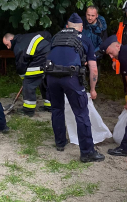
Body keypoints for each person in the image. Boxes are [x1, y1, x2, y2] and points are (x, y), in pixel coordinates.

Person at [45, 13, 105, 163]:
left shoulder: (55, 37)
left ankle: (60, 142)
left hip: (51, 76)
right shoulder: (84, 39)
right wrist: (92, 89)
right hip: (70, 77)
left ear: (67, 26)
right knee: (81, 113)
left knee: (57, 109)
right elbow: (93, 68)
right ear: (81, 28)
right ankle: (87, 152)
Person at [3, 31, 52, 116]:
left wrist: (24, 79)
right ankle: (49, 106)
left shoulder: (18, 47)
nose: (7, 48)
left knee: (29, 83)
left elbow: (21, 66)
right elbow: (47, 34)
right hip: (51, 57)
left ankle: (28, 110)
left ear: (11, 39)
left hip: (41, 59)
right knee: (44, 81)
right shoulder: (25, 38)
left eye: (7, 44)